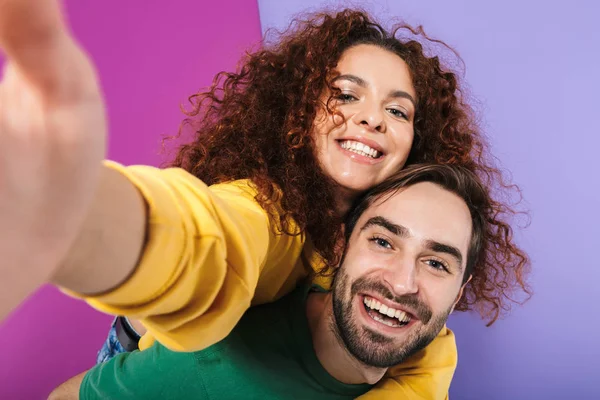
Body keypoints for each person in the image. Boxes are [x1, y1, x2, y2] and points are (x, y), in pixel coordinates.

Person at [0, 1, 529, 399]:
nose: (371, 118)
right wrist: (76, 213)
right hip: (151, 355)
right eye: (345, 94)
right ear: (299, 109)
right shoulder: (268, 211)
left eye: (399, 111)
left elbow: (423, 373)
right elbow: (204, 239)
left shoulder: (407, 280)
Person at [49, 163, 525, 400]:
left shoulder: (425, 367)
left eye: (437, 263)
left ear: (458, 294)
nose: (403, 283)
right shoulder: (218, 365)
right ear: (339, 249)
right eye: (383, 242)